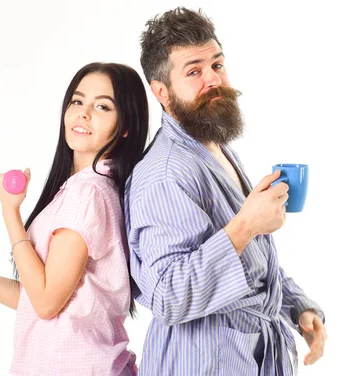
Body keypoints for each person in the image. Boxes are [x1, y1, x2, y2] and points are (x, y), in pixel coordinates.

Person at [124, 7, 327, 375]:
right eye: (194, 71)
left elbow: (251, 266)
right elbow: (169, 295)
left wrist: (299, 307)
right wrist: (245, 225)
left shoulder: (213, 146)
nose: (213, 79)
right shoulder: (164, 175)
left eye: (217, 65)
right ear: (162, 93)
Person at [0, 62, 149, 376]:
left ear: (124, 127)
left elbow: (46, 302)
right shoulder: (87, 190)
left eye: (102, 106)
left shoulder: (88, 194)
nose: (83, 113)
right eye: (77, 101)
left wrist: (10, 212)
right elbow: (33, 297)